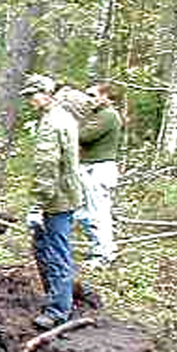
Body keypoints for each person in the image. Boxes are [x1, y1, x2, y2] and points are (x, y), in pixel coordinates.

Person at [22, 74, 82, 330]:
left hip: (55, 199)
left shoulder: (52, 122)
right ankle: (56, 300)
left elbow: (47, 167)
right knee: (49, 248)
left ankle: (58, 309)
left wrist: (37, 206)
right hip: (63, 195)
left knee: (55, 252)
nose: (29, 101)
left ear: (45, 94)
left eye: (32, 95)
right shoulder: (62, 117)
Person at [75, 82, 122, 265]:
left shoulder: (108, 116)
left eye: (93, 95)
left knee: (98, 213)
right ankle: (99, 249)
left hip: (98, 169)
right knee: (87, 212)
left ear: (106, 98)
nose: (89, 99)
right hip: (90, 167)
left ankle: (104, 254)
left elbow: (83, 136)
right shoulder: (96, 115)